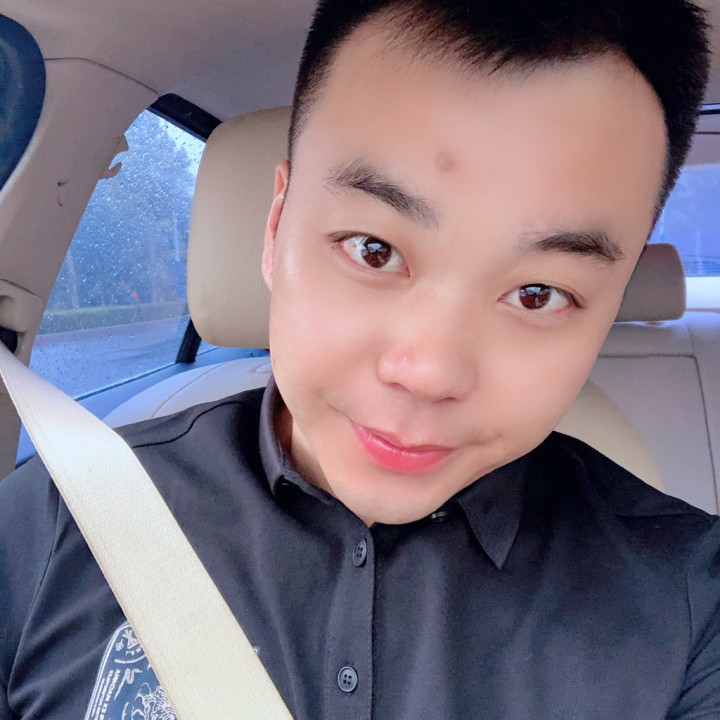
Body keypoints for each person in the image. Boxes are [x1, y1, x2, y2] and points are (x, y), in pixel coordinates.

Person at [0, 0, 716, 718]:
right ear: (276, 228)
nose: (428, 372)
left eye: (538, 295)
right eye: (373, 251)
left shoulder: (692, 607)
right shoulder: (55, 524)